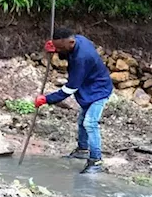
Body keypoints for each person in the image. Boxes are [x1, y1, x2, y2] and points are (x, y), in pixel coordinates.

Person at [34, 28, 113, 174]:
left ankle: (96, 161)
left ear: (71, 42)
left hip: (99, 90)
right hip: (88, 86)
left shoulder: (81, 58)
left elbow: (70, 88)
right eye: (56, 46)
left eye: (60, 47)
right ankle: (83, 150)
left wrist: (47, 99)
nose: (59, 49)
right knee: (82, 120)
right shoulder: (77, 40)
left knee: (90, 123)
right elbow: (66, 54)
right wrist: (55, 50)